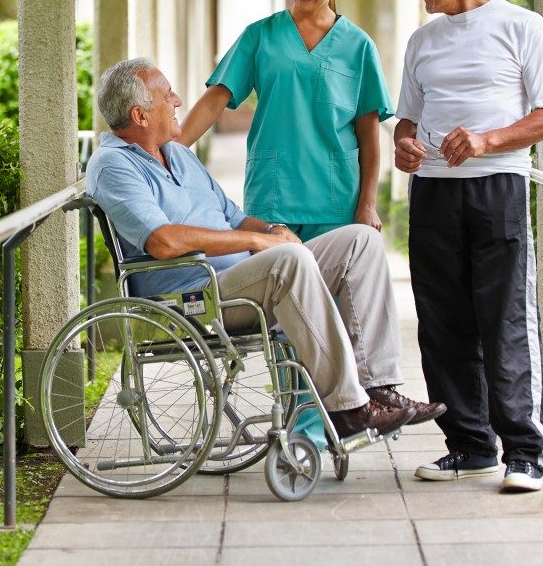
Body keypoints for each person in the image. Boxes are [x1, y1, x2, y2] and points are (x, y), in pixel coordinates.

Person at [87, 57, 445, 442]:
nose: (177, 100)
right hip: (193, 296)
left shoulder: (179, 155)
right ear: (140, 115)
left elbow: (235, 217)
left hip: (244, 280)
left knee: (362, 241)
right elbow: (163, 240)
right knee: (286, 260)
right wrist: (259, 242)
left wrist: (272, 229)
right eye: (166, 95)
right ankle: (349, 409)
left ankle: (378, 389)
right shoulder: (113, 165)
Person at [394, 0, 543, 493]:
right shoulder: (423, 41)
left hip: (498, 189)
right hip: (434, 192)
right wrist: (405, 146)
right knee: (442, 321)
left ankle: (525, 451)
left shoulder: (524, 27)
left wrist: (488, 139)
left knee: (504, 317)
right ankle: (469, 446)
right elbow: (408, 122)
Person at [179, 0, 393, 241]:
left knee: (329, 290)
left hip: (336, 200)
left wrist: (368, 204)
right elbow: (216, 99)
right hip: (273, 196)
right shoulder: (260, 36)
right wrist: (167, 153)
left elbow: (369, 134)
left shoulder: (358, 46)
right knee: (274, 286)